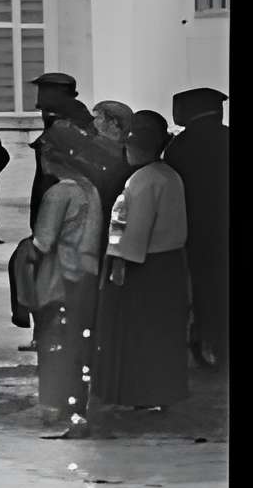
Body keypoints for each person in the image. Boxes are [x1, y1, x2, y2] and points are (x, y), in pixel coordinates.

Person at [98, 109, 192, 420]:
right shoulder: (170, 175)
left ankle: (144, 393)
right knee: (165, 332)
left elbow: (132, 230)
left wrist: (119, 263)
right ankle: (163, 392)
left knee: (142, 332)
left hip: (145, 266)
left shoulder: (141, 181)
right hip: (171, 264)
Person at [23, 122, 105, 439]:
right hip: (86, 277)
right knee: (79, 344)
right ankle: (77, 406)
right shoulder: (90, 188)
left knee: (52, 343)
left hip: (58, 279)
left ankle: (52, 406)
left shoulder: (59, 193)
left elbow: (42, 242)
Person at [168, 87, 228, 371]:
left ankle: (204, 340)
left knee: (202, 289)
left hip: (195, 230)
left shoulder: (181, 145)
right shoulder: (227, 138)